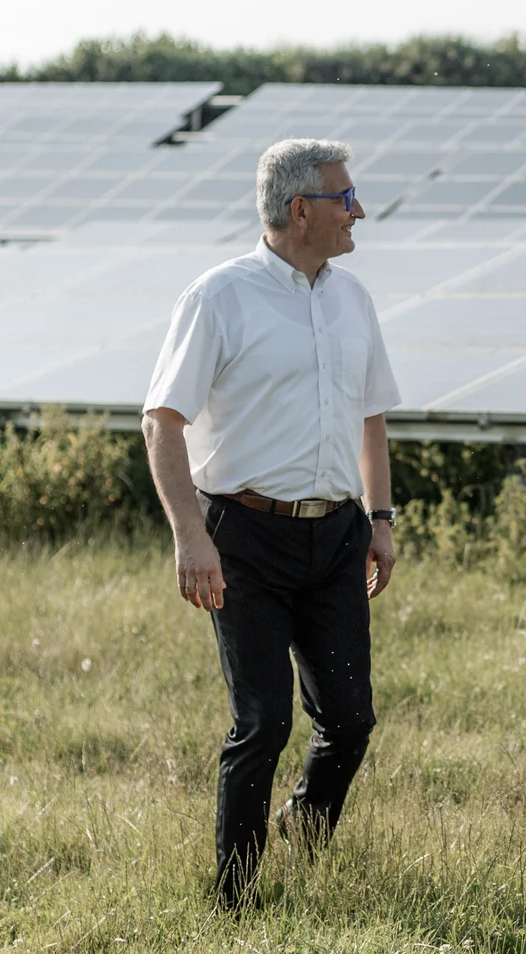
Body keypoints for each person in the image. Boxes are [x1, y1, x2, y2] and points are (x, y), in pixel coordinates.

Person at [141, 138, 402, 908]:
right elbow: (163, 423)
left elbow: (373, 418)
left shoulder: (353, 297)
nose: (358, 211)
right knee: (263, 722)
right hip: (243, 538)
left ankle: (304, 828)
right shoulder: (218, 297)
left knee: (350, 720)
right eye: (345, 198)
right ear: (301, 211)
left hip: (337, 537)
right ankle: (236, 897)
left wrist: (380, 519)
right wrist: (192, 537)